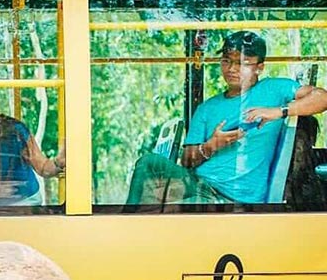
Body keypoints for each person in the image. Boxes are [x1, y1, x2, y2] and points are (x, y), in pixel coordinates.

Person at [129, 31, 327, 205]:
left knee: (171, 211)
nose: (232, 69)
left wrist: (279, 111)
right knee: (149, 162)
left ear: (259, 67)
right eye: (227, 61)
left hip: (233, 199)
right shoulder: (207, 108)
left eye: (242, 63)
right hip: (199, 184)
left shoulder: (275, 89)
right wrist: (212, 145)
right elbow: (187, 161)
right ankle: (127, 226)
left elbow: (322, 98)